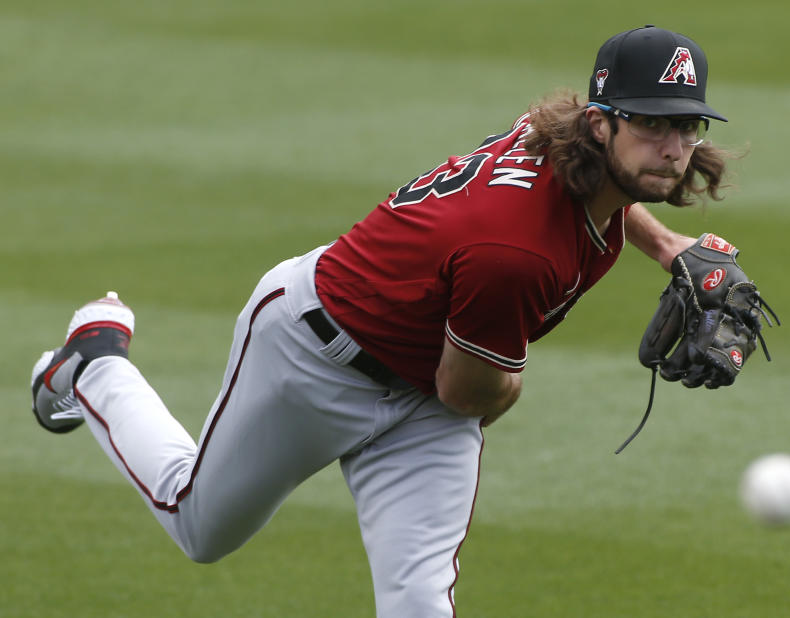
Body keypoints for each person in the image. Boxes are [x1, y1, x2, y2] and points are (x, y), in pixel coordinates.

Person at [31, 26, 737, 617]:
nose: (672, 147)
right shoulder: (514, 253)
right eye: (649, 123)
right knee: (198, 526)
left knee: (419, 606)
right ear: (600, 122)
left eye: (685, 124)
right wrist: (515, 378)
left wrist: (670, 246)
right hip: (312, 357)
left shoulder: (561, 143)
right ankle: (95, 365)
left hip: (422, 395)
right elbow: (470, 393)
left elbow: (608, 197)